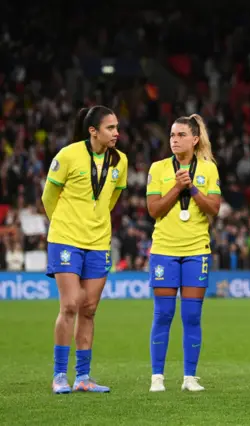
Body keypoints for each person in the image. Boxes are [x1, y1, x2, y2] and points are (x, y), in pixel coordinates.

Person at [43, 106, 128, 394]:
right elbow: (48, 195)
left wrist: (95, 221)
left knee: (89, 309)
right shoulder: (68, 155)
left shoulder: (121, 161)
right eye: (110, 128)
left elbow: (113, 197)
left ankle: (82, 378)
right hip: (66, 239)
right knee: (69, 305)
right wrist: (64, 226)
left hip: (98, 242)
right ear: (93, 131)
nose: (116, 132)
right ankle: (58, 376)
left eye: (117, 127)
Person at [146, 114, 221, 392]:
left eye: (180, 135)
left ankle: (190, 377)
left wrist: (193, 188)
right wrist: (178, 187)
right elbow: (154, 210)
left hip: (196, 251)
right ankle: (157, 377)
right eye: (172, 135)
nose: (174, 140)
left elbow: (214, 209)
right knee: (163, 314)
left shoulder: (209, 169)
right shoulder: (158, 168)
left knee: (191, 316)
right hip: (164, 250)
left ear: (195, 139)